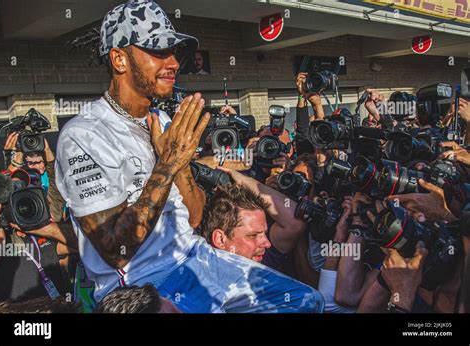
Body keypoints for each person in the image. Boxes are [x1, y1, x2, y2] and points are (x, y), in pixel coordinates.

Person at [55, 1, 324, 313]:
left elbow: (195, 218)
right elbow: (117, 250)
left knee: (307, 302)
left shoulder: (164, 121)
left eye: (174, 53)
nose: (173, 63)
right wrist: (167, 163)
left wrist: (180, 165)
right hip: (141, 284)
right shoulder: (83, 136)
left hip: (195, 256)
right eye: (158, 52)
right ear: (119, 59)